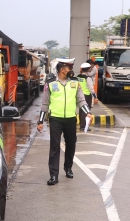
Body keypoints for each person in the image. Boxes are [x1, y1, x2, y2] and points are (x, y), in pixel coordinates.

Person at [37, 58, 91, 186]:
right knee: (55, 147)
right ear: (62, 69)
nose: (71, 70)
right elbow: (45, 104)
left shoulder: (75, 83)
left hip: (71, 119)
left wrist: (88, 112)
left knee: (71, 144)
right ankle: (54, 175)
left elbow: (81, 100)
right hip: (55, 118)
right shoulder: (50, 84)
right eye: (69, 68)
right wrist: (40, 121)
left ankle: (68, 167)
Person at [77, 62, 98, 131]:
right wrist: (95, 97)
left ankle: (81, 125)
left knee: (81, 111)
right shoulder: (88, 78)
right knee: (86, 111)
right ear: (89, 69)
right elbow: (91, 89)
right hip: (87, 96)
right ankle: (84, 126)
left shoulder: (78, 77)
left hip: (80, 96)